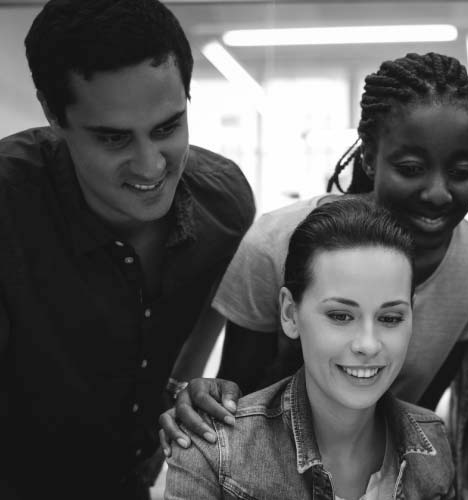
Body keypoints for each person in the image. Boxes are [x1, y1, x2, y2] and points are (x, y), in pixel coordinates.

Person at [159, 51, 468, 463]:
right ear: (370, 158)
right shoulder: (275, 244)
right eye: (411, 167)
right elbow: (237, 397)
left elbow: (419, 411)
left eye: (462, 172)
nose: (438, 192)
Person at [0, 0, 255, 497]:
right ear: (53, 112)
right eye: (113, 139)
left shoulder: (223, 206)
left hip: (136, 476)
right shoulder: (8, 210)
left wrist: (183, 395)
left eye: (167, 128)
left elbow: (183, 366)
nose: (149, 166)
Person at [166, 198, 455, 499]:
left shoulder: (433, 443)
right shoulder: (213, 449)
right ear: (290, 314)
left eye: (390, 318)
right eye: (340, 316)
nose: (368, 344)